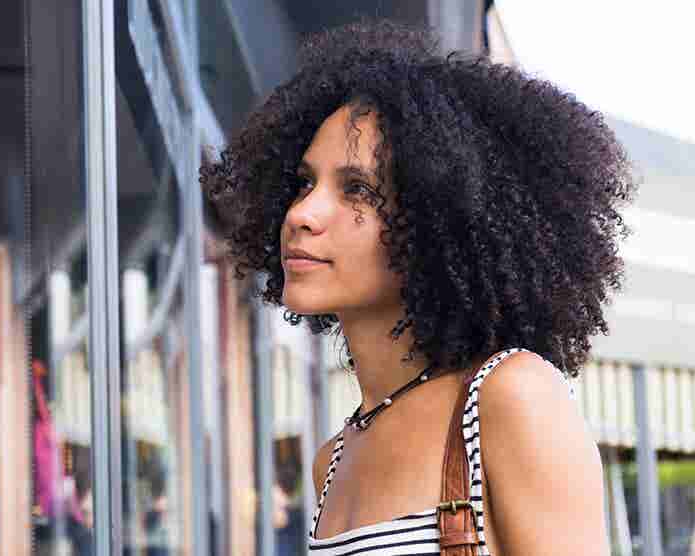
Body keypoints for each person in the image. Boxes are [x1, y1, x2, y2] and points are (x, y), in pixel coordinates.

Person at [200, 21, 633, 555]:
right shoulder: (332, 461)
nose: (303, 213)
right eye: (304, 183)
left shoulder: (506, 399)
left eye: (357, 189)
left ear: (437, 219)